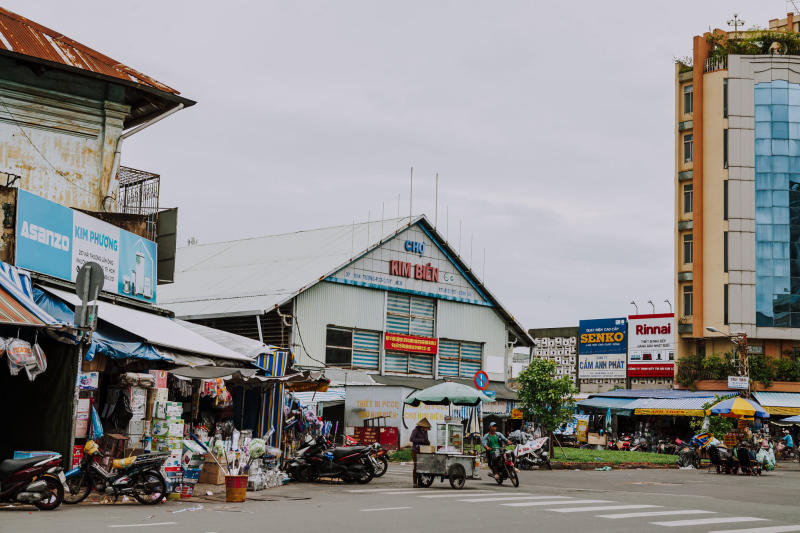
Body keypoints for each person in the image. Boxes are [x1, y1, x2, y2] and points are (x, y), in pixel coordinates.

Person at [409, 418, 431, 486]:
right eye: (427, 427)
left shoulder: (425, 432)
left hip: (422, 451)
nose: (427, 429)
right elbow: (411, 439)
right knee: (416, 467)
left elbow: (425, 440)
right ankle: (415, 483)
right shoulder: (415, 430)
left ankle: (420, 482)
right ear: (423, 426)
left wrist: (427, 442)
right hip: (415, 451)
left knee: (421, 467)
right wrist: (421, 440)